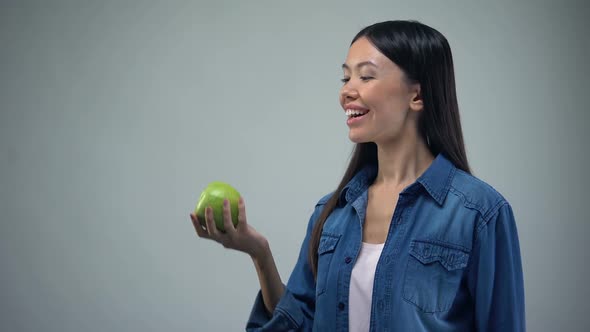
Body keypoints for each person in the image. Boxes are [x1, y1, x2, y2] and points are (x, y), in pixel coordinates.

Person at [190, 20, 525, 331]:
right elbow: (297, 324)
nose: (347, 92)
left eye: (365, 77)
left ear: (417, 95)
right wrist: (259, 252)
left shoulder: (480, 213)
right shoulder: (331, 214)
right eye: (345, 78)